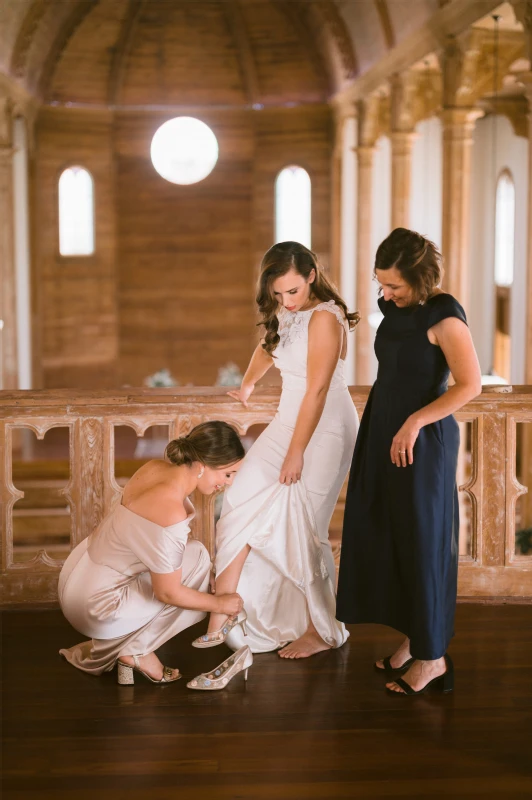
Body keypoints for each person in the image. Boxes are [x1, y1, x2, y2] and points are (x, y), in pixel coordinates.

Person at [194, 241, 360, 658]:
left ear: (311, 277)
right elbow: (269, 345)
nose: (285, 301)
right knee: (239, 498)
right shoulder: (289, 313)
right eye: (278, 294)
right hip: (286, 423)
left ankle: (322, 630)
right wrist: (248, 384)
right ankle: (222, 612)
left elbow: (318, 389)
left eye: (293, 292)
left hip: (324, 431)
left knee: (305, 527)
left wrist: (296, 451)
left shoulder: (325, 317)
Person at [336, 228, 482, 695]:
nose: (384, 293)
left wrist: (415, 423)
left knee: (422, 540)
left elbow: (469, 385)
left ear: (421, 279)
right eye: (380, 283)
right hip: (384, 429)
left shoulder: (445, 317)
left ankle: (432, 659)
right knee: (388, 533)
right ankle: (412, 637)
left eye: (394, 285)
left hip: (423, 439)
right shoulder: (393, 309)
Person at [58, 421, 245, 684]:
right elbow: (167, 593)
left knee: (196, 558)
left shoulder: (154, 469)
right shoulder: (170, 509)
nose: (228, 483)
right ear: (202, 464)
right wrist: (221, 603)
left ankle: (130, 648)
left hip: (76, 577)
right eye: (227, 474)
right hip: (94, 607)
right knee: (198, 566)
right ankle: (136, 651)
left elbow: (149, 543)